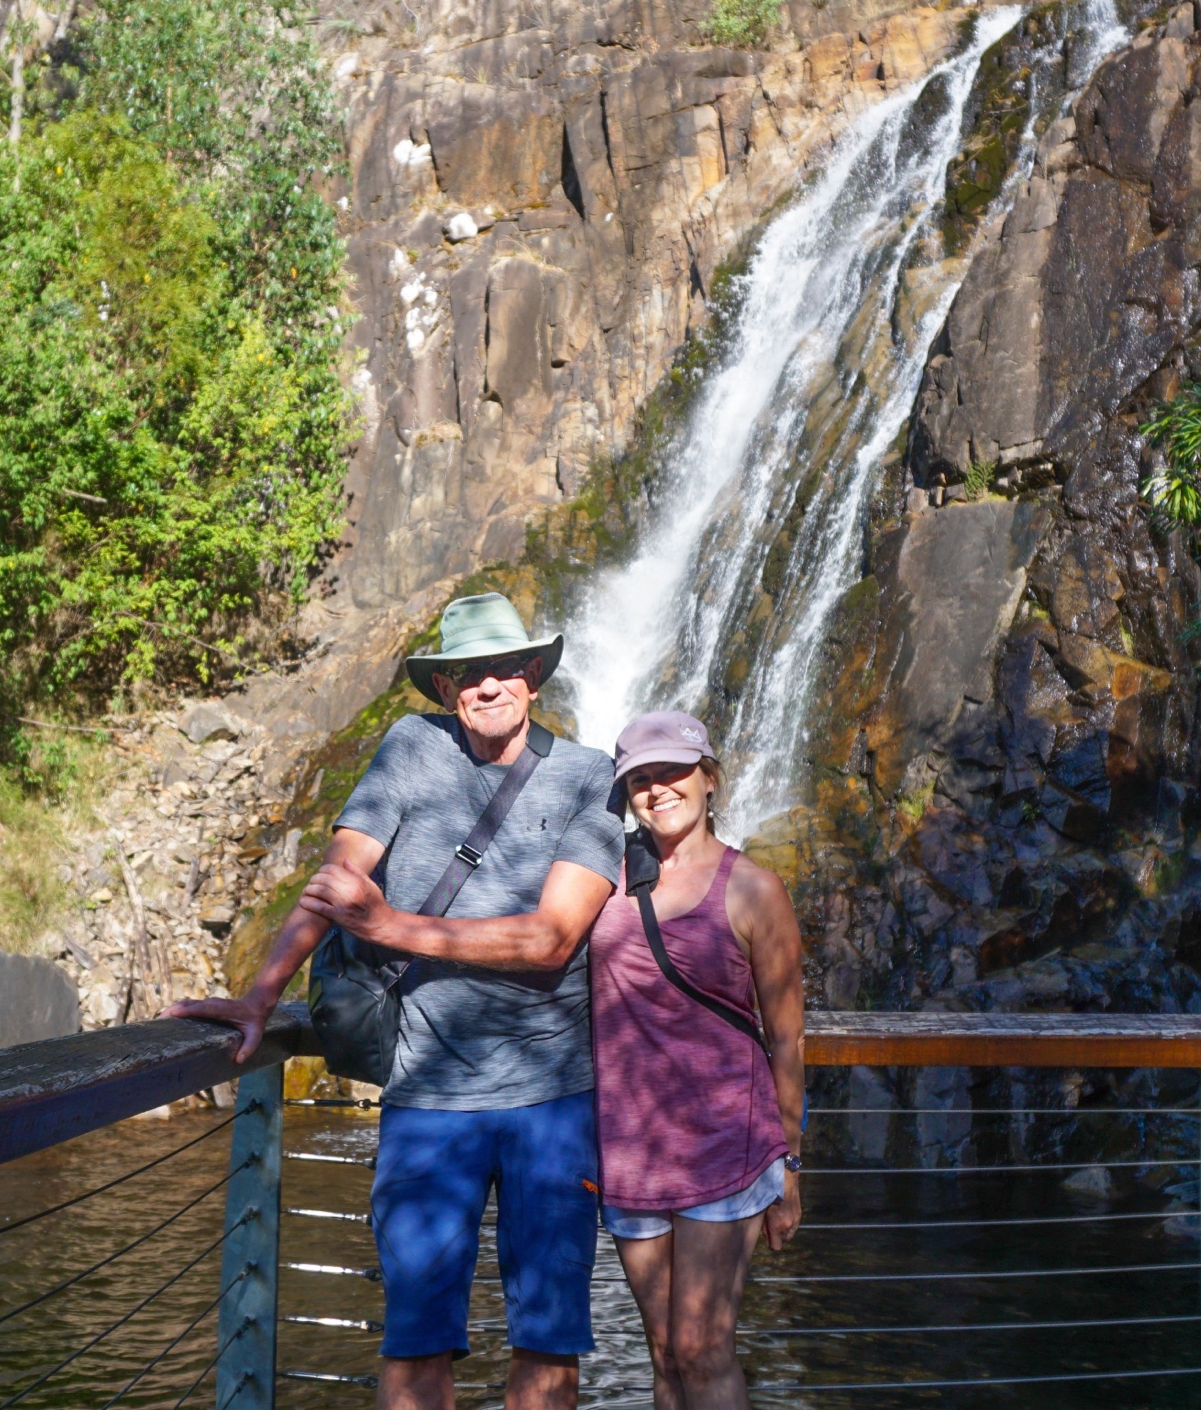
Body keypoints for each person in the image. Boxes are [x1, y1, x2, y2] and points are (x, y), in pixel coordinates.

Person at [165, 593, 626, 1410]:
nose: (487, 685)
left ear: (532, 675)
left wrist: (391, 925)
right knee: (414, 1343)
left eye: (503, 668)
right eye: (468, 673)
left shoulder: (590, 775)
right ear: (446, 688)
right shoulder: (412, 746)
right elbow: (337, 879)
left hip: (553, 1104)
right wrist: (260, 996)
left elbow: (553, 939)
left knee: (548, 1347)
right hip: (428, 1100)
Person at [592, 710, 806, 1410]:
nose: (658, 789)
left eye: (673, 771)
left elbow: (787, 1039)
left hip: (726, 1145)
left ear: (709, 778)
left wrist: (792, 1166)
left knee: (702, 1347)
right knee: (663, 1352)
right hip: (631, 1146)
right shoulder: (600, 881)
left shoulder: (755, 889)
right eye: (641, 779)